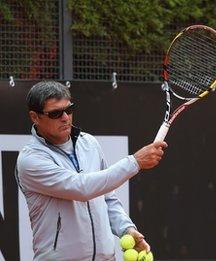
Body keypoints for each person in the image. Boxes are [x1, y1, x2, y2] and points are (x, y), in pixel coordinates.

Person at [16, 80, 167, 260]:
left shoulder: (89, 143)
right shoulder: (31, 160)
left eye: (69, 109)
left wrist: (126, 228)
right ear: (35, 117)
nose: (65, 117)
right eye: (55, 113)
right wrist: (134, 162)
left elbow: (106, 197)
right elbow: (82, 188)